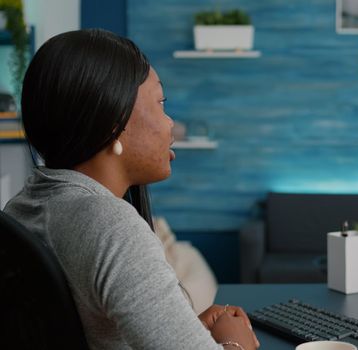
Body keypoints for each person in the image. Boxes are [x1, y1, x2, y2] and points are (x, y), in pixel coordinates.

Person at [3, 29, 259, 350]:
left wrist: (184, 330)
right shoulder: (111, 226)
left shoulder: (24, 205)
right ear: (114, 124)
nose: (170, 123)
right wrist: (236, 344)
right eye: (161, 103)